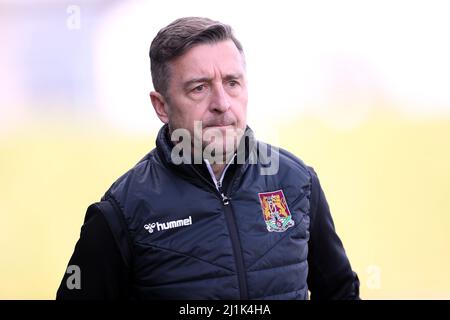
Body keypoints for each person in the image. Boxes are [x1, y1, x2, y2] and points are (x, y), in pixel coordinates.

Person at [56, 17, 360, 300]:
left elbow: (340, 291)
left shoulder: (298, 183)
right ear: (161, 105)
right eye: (199, 88)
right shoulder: (122, 212)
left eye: (232, 83)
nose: (222, 104)